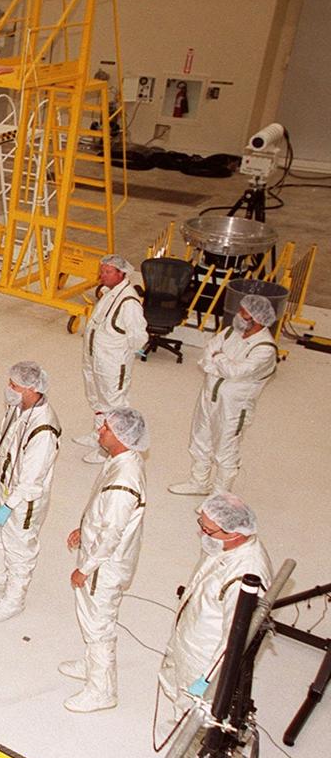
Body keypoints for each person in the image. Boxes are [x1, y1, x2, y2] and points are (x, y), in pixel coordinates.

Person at [158, 494, 272, 728]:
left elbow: (234, 640)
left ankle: (184, 756)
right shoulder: (224, 547)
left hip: (203, 658)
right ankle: (179, 721)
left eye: (208, 530)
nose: (202, 533)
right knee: (175, 688)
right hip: (190, 636)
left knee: (196, 719)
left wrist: (206, 681)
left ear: (234, 533)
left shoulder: (246, 578)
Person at [61, 407, 148, 713]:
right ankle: (91, 664)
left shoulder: (124, 482)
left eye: (107, 429)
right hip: (101, 555)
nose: (100, 431)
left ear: (123, 436)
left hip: (104, 567)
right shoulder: (121, 461)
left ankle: (101, 690)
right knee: (92, 619)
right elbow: (104, 514)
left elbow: (111, 534)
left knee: (99, 624)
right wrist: (84, 530)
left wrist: (84, 569)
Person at [0, 360, 61, 622]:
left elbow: (32, 478)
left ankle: (14, 598)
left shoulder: (43, 429)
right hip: (1, 480)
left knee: (19, 547)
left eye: (14, 385)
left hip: (22, 499)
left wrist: (10, 505)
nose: (9, 388)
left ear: (31, 388)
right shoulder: (17, 407)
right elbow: (3, 433)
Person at [168, 294, 278, 495]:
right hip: (209, 395)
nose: (238, 316)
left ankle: (219, 496)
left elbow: (236, 372)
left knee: (225, 449)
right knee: (200, 438)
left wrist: (218, 358)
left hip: (234, 406)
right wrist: (221, 362)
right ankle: (199, 482)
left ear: (258, 319)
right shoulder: (230, 333)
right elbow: (207, 354)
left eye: (243, 314)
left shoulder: (265, 349)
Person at [73, 255, 147, 464]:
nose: (102, 275)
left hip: (113, 363)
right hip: (95, 358)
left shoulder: (129, 302)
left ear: (121, 274)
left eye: (107, 272)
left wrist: (120, 354)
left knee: (113, 404)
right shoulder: (109, 293)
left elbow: (139, 337)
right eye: (102, 270)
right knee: (96, 398)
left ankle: (107, 449)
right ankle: (98, 433)